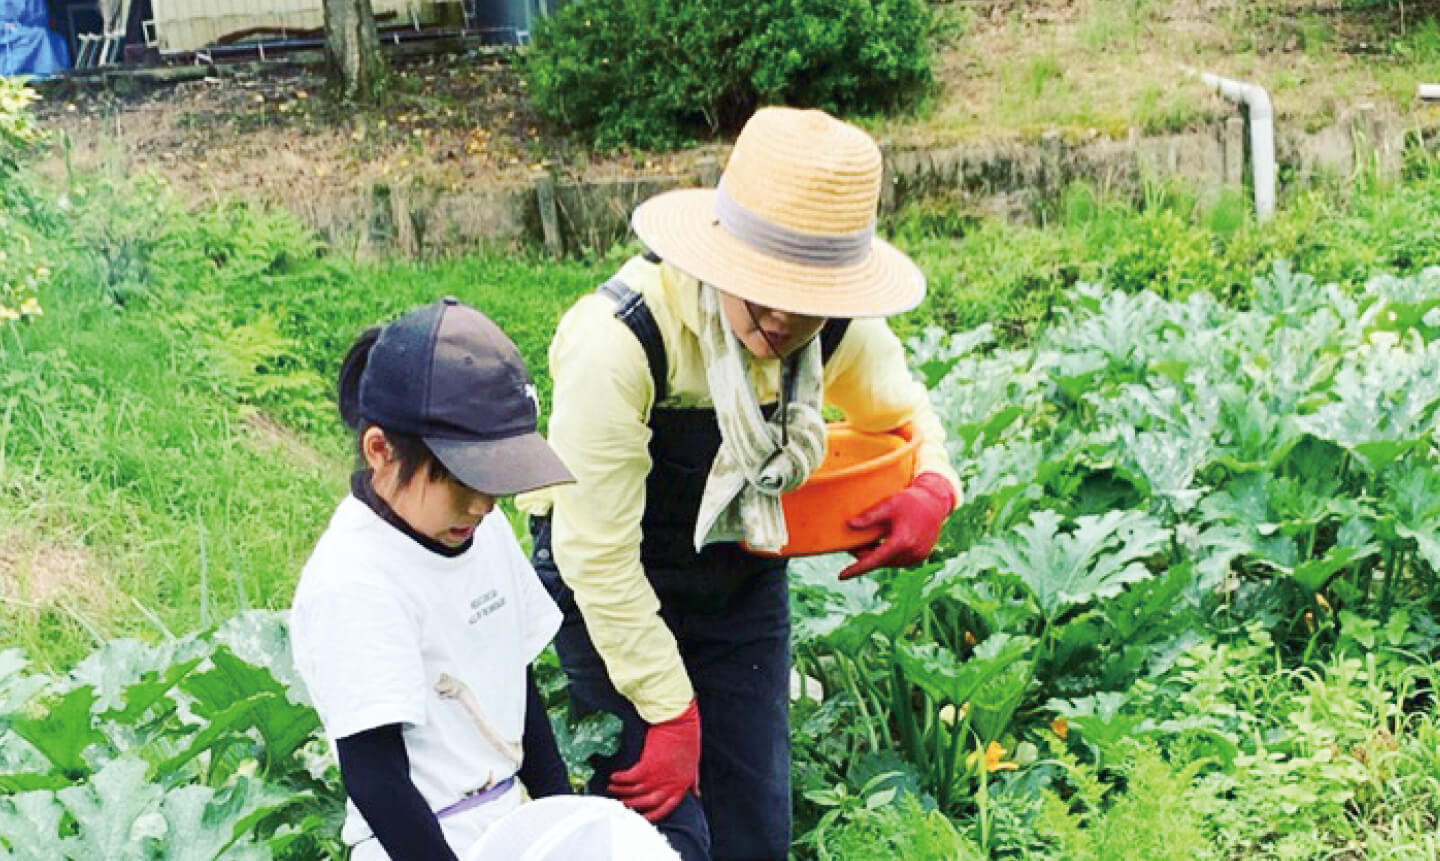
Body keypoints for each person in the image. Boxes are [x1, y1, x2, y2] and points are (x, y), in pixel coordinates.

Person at [517, 107, 963, 860]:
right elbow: (595, 554)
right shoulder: (620, 342)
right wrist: (669, 712)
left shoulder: (836, 329)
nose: (783, 313)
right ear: (718, 255)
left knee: (755, 830)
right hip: (610, 592)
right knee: (658, 839)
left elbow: (907, 412)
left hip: (739, 583)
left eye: (808, 291)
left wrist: (934, 487)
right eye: (763, 286)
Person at [290, 298, 577, 861]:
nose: (482, 505)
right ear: (381, 451)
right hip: (416, 842)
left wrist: (564, 822)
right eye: (463, 482)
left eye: (494, 483)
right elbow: (378, 781)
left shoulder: (474, 527)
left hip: (507, 823)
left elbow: (518, 693)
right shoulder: (355, 579)